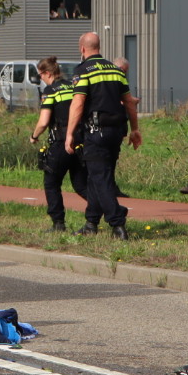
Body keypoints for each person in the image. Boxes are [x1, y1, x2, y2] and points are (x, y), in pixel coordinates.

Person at [64, 32, 142, 240]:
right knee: (97, 178)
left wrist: (69, 133)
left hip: (95, 132)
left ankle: (118, 221)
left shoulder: (83, 70)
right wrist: (135, 129)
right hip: (116, 132)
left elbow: (78, 103)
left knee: (100, 178)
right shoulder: (115, 71)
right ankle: (91, 222)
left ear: (82, 49)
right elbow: (129, 102)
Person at [28, 57, 85, 233]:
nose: (41, 79)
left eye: (41, 75)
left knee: (51, 183)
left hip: (61, 142)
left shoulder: (50, 90)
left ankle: (58, 223)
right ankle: (99, 216)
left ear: (47, 73)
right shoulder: (73, 86)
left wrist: (34, 135)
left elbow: (44, 121)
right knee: (81, 184)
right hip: (80, 141)